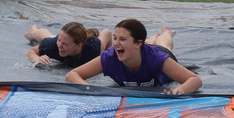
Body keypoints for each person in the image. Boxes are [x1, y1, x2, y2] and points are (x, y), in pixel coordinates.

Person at [65, 19, 202, 94]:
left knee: (164, 45)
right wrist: (91, 90)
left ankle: (167, 33)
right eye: (115, 38)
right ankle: (152, 38)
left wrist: (178, 91)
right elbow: (73, 74)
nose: (116, 43)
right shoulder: (109, 57)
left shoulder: (158, 59)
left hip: (158, 51)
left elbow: (194, 80)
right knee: (147, 44)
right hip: (141, 47)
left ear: (138, 43)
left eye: (123, 39)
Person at [24, 22, 112, 66]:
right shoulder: (53, 45)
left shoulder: (93, 50)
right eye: (59, 41)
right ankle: (33, 31)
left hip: (82, 42)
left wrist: (110, 54)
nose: (60, 46)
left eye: (65, 44)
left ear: (79, 45)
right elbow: (31, 51)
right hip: (57, 39)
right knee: (48, 38)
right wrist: (37, 59)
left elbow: (107, 33)